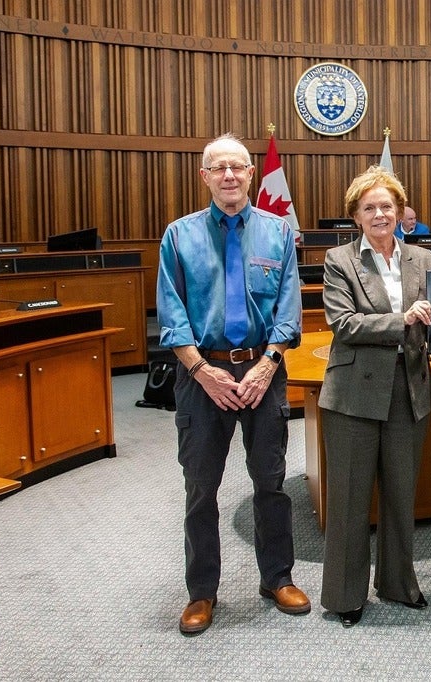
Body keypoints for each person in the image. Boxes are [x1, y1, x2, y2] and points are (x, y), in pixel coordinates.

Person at [157, 133, 309, 635]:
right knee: (201, 487)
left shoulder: (279, 233)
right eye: (217, 167)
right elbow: (171, 313)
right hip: (202, 375)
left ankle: (277, 577)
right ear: (204, 177)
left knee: (271, 480)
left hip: (264, 370)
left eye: (237, 167)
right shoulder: (178, 236)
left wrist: (268, 364)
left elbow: (288, 306)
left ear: (250, 175)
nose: (228, 175)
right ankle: (202, 591)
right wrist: (201, 369)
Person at [318, 166, 431, 627]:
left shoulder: (423, 259)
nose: (379, 214)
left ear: (401, 210)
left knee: (400, 493)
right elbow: (343, 324)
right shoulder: (339, 260)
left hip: (409, 390)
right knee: (349, 498)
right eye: (369, 207)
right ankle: (346, 596)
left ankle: (398, 584)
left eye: (387, 205)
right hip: (353, 394)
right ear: (356, 214)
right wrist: (404, 319)